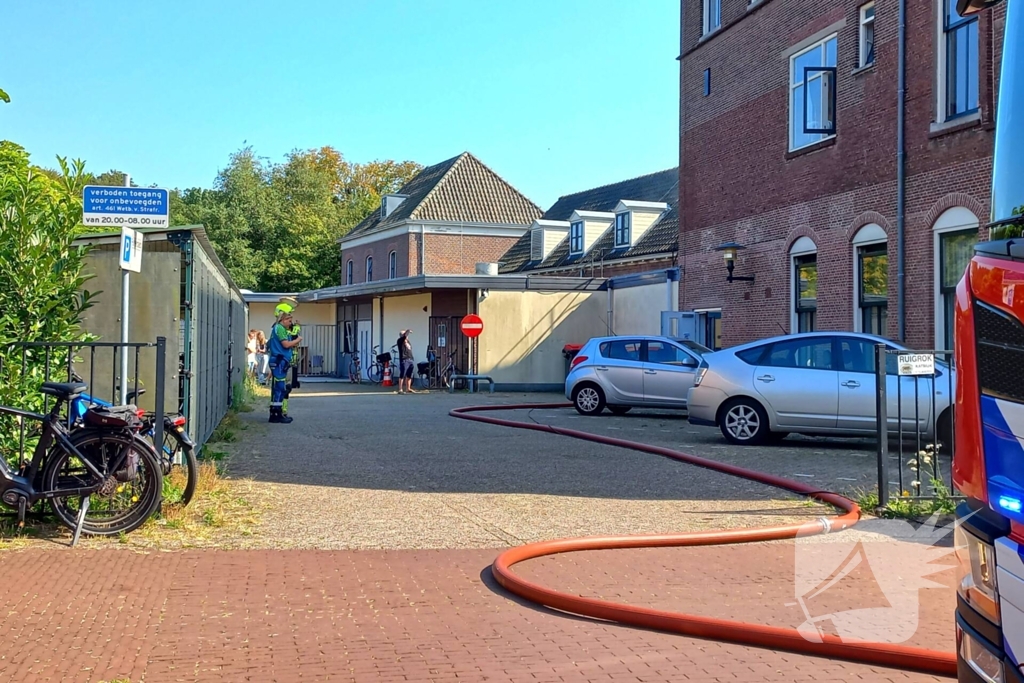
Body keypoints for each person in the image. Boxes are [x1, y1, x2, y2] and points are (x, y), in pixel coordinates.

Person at [267, 304, 302, 423]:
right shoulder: (280, 329)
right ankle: (277, 413)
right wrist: (297, 340)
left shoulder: (278, 328)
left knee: (280, 388)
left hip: (280, 361)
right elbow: (286, 344)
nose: (290, 322)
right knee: (280, 388)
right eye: (289, 320)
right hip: (279, 361)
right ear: (282, 318)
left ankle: (277, 412)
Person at [396, 329, 417, 394]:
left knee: (409, 375)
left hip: (410, 359)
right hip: (404, 360)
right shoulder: (400, 341)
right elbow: (405, 335)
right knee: (402, 374)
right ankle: (400, 389)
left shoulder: (407, 341)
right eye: (405, 335)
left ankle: (408, 388)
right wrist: (408, 331)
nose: (407, 336)